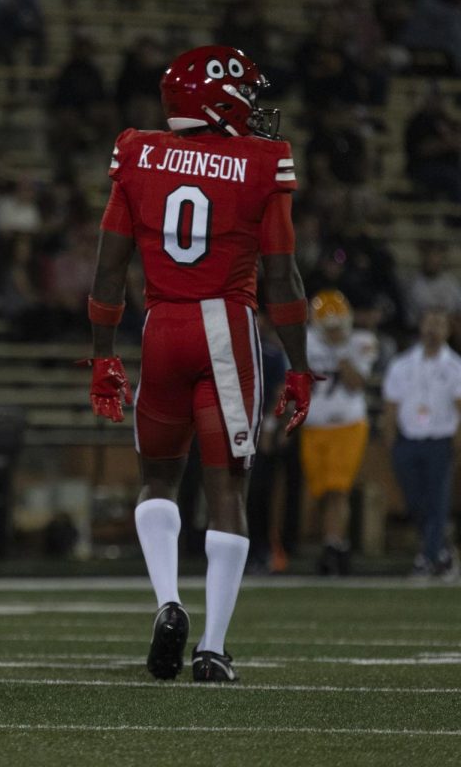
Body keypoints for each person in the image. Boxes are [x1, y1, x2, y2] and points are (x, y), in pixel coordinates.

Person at [88, 46, 314, 683]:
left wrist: (103, 356)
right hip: (225, 331)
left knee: (157, 480)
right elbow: (282, 274)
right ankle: (212, 647)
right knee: (227, 492)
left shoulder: (137, 150)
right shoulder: (261, 162)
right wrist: (298, 365)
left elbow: (108, 272)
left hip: (160, 329)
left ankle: (167, 601)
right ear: (219, 99)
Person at [300, 290, 378, 576]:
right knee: (320, 492)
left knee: (337, 490)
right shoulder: (305, 340)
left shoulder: (361, 341)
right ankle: (337, 544)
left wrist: (340, 351)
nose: (333, 330)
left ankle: (331, 547)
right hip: (314, 427)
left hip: (348, 425)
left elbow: (357, 383)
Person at [382, 308, 461, 578]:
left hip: (440, 440)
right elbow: (391, 406)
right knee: (415, 501)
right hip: (408, 440)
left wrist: (457, 445)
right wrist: (391, 441)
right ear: (421, 327)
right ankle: (442, 550)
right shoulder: (402, 364)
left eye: (439, 324)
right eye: (429, 323)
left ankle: (426, 558)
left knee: (437, 500)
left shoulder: (455, 367)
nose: (433, 329)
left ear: (448, 330)